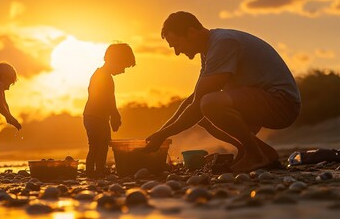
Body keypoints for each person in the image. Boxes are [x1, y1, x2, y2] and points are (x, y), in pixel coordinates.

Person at [143, 11, 301, 172]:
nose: (177, 52)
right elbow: (195, 97)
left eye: (176, 45)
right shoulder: (208, 51)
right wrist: (160, 133)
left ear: (191, 33)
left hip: (282, 103)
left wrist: (162, 136)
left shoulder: (223, 43)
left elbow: (199, 103)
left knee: (209, 104)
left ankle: (256, 155)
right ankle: (255, 151)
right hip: (257, 100)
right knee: (203, 112)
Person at [83, 43, 136, 178]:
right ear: (114, 60)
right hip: (95, 117)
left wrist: (113, 114)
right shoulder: (101, 76)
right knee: (97, 144)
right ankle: (92, 171)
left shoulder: (105, 75)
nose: (123, 71)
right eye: (123, 66)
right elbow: (105, 98)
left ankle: (98, 169)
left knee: (102, 143)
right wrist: (114, 114)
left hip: (98, 117)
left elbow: (110, 98)